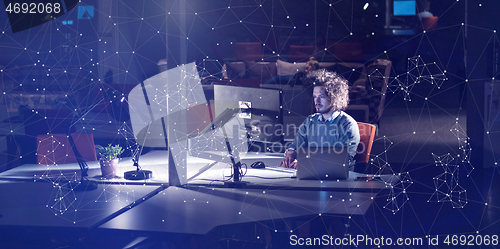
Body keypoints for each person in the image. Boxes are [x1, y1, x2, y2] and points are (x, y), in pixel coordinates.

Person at [280, 69, 360, 169]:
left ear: (334, 97)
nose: (316, 101)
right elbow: (296, 146)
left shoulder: (348, 124)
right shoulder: (310, 121)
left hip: (339, 180)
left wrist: (310, 163)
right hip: (312, 175)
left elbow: (344, 160)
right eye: (314, 96)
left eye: (321, 97)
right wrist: (291, 154)